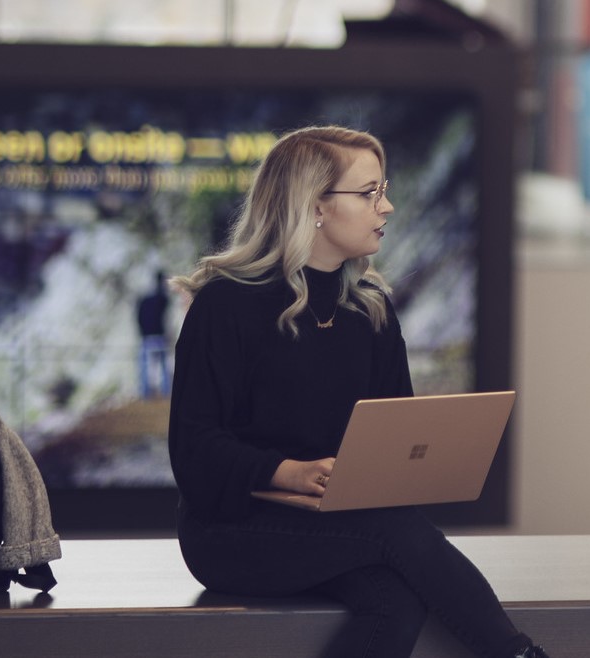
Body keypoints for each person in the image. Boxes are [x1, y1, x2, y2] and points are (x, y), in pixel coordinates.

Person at [167, 126, 549, 658]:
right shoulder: (225, 305)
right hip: (231, 531)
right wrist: (289, 472)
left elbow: (395, 435)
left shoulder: (369, 308)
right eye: (369, 193)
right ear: (314, 206)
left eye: (383, 189)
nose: (387, 207)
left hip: (342, 523)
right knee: (395, 532)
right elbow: (194, 450)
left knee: (396, 601)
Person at [136, 269, 172, 398]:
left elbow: (139, 318)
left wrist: (142, 333)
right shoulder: (163, 299)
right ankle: (166, 395)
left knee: (146, 368)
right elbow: (166, 319)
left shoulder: (143, 300)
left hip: (147, 337)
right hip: (159, 336)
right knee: (164, 368)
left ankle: (146, 395)